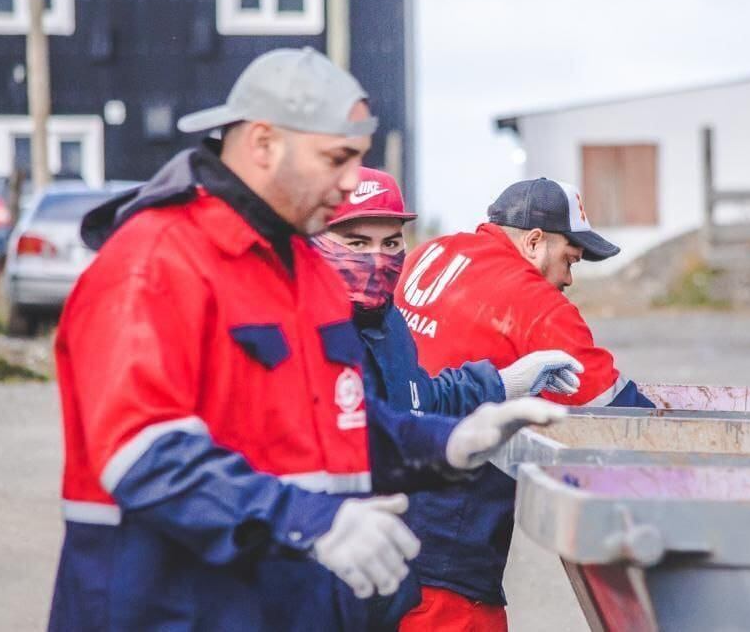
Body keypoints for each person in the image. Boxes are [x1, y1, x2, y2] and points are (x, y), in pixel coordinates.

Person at [48, 48, 569, 632]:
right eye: (335, 159)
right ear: (263, 144)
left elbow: (334, 422)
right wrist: (314, 521)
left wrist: (449, 440)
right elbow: (144, 455)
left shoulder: (304, 268)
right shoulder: (153, 261)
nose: (350, 182)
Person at [314, 168, 585, 629]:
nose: (378, 259)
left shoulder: (388, 322)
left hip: (397, 563)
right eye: (357, 244)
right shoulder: (302, 331)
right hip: (330, 571)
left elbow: (419, 399)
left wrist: (505, 383)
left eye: (392, 243)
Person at [394, 177, 655, 631]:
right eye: (569, 259)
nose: (568, 279)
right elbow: (618, 413)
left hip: (378, 514)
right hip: (447, 548)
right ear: (535, 242)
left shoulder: (430, 254)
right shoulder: (532, 300)